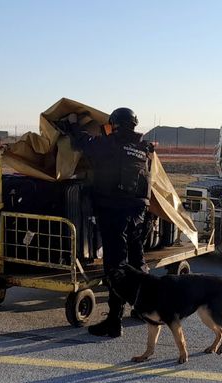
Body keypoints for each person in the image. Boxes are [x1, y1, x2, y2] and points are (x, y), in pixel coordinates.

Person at [66, 107, 154, 337]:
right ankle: (144, 307)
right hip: (138, 214)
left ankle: (114, 322)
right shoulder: (144, 149)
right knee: (136, 260)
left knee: (116, 267)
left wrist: (74, 123)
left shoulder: (109, 145)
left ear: (114, 125)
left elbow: (82, 142)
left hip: (115, 213)